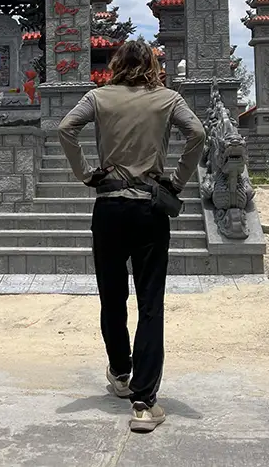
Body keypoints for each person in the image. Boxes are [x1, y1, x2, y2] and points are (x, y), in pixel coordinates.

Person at [57, 40, 205, 433]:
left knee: (112, 297)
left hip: (108, 208)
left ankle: (121, 373)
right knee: (150, 303)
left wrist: (86, 173)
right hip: (149, 210)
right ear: (154, 64)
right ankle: (144, 402)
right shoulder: (168, 99)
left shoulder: (97, 96)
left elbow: (66, 127)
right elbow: (198, 134)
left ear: (116, 65)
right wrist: (176, 181)